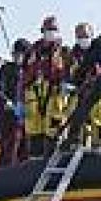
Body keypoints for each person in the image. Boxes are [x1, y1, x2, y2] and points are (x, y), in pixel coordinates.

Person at [22, 16, 70, 159]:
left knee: (53, 129)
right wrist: (19, 99)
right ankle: (34, 161)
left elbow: (70, 73)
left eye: (54, 29)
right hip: (34, 96)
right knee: (34, 130)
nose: (51, 32)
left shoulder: (64, 52)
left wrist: (66, 85)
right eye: (49, 29)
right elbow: (23, 75)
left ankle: (52, 158)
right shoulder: (32, 51)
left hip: (55, 95)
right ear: (42, 30)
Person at [68, 22, 101, 148]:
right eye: (80, 36)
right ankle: (75, 145)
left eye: (85, 36)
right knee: (79, 126)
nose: (83, 39)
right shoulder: (72, 56)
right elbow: (69, 75)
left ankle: (100, 147)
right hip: (80, 97)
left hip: (100, 96)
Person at [0, 38, 30, 167]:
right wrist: (7, 102)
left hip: (26, 117)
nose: (18, 57)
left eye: (21, 54)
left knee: (25, 148)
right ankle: (2, 172)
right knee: (9, 147)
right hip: (7, 116)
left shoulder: (29, 71)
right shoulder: (6, 69)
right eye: (16, 54)